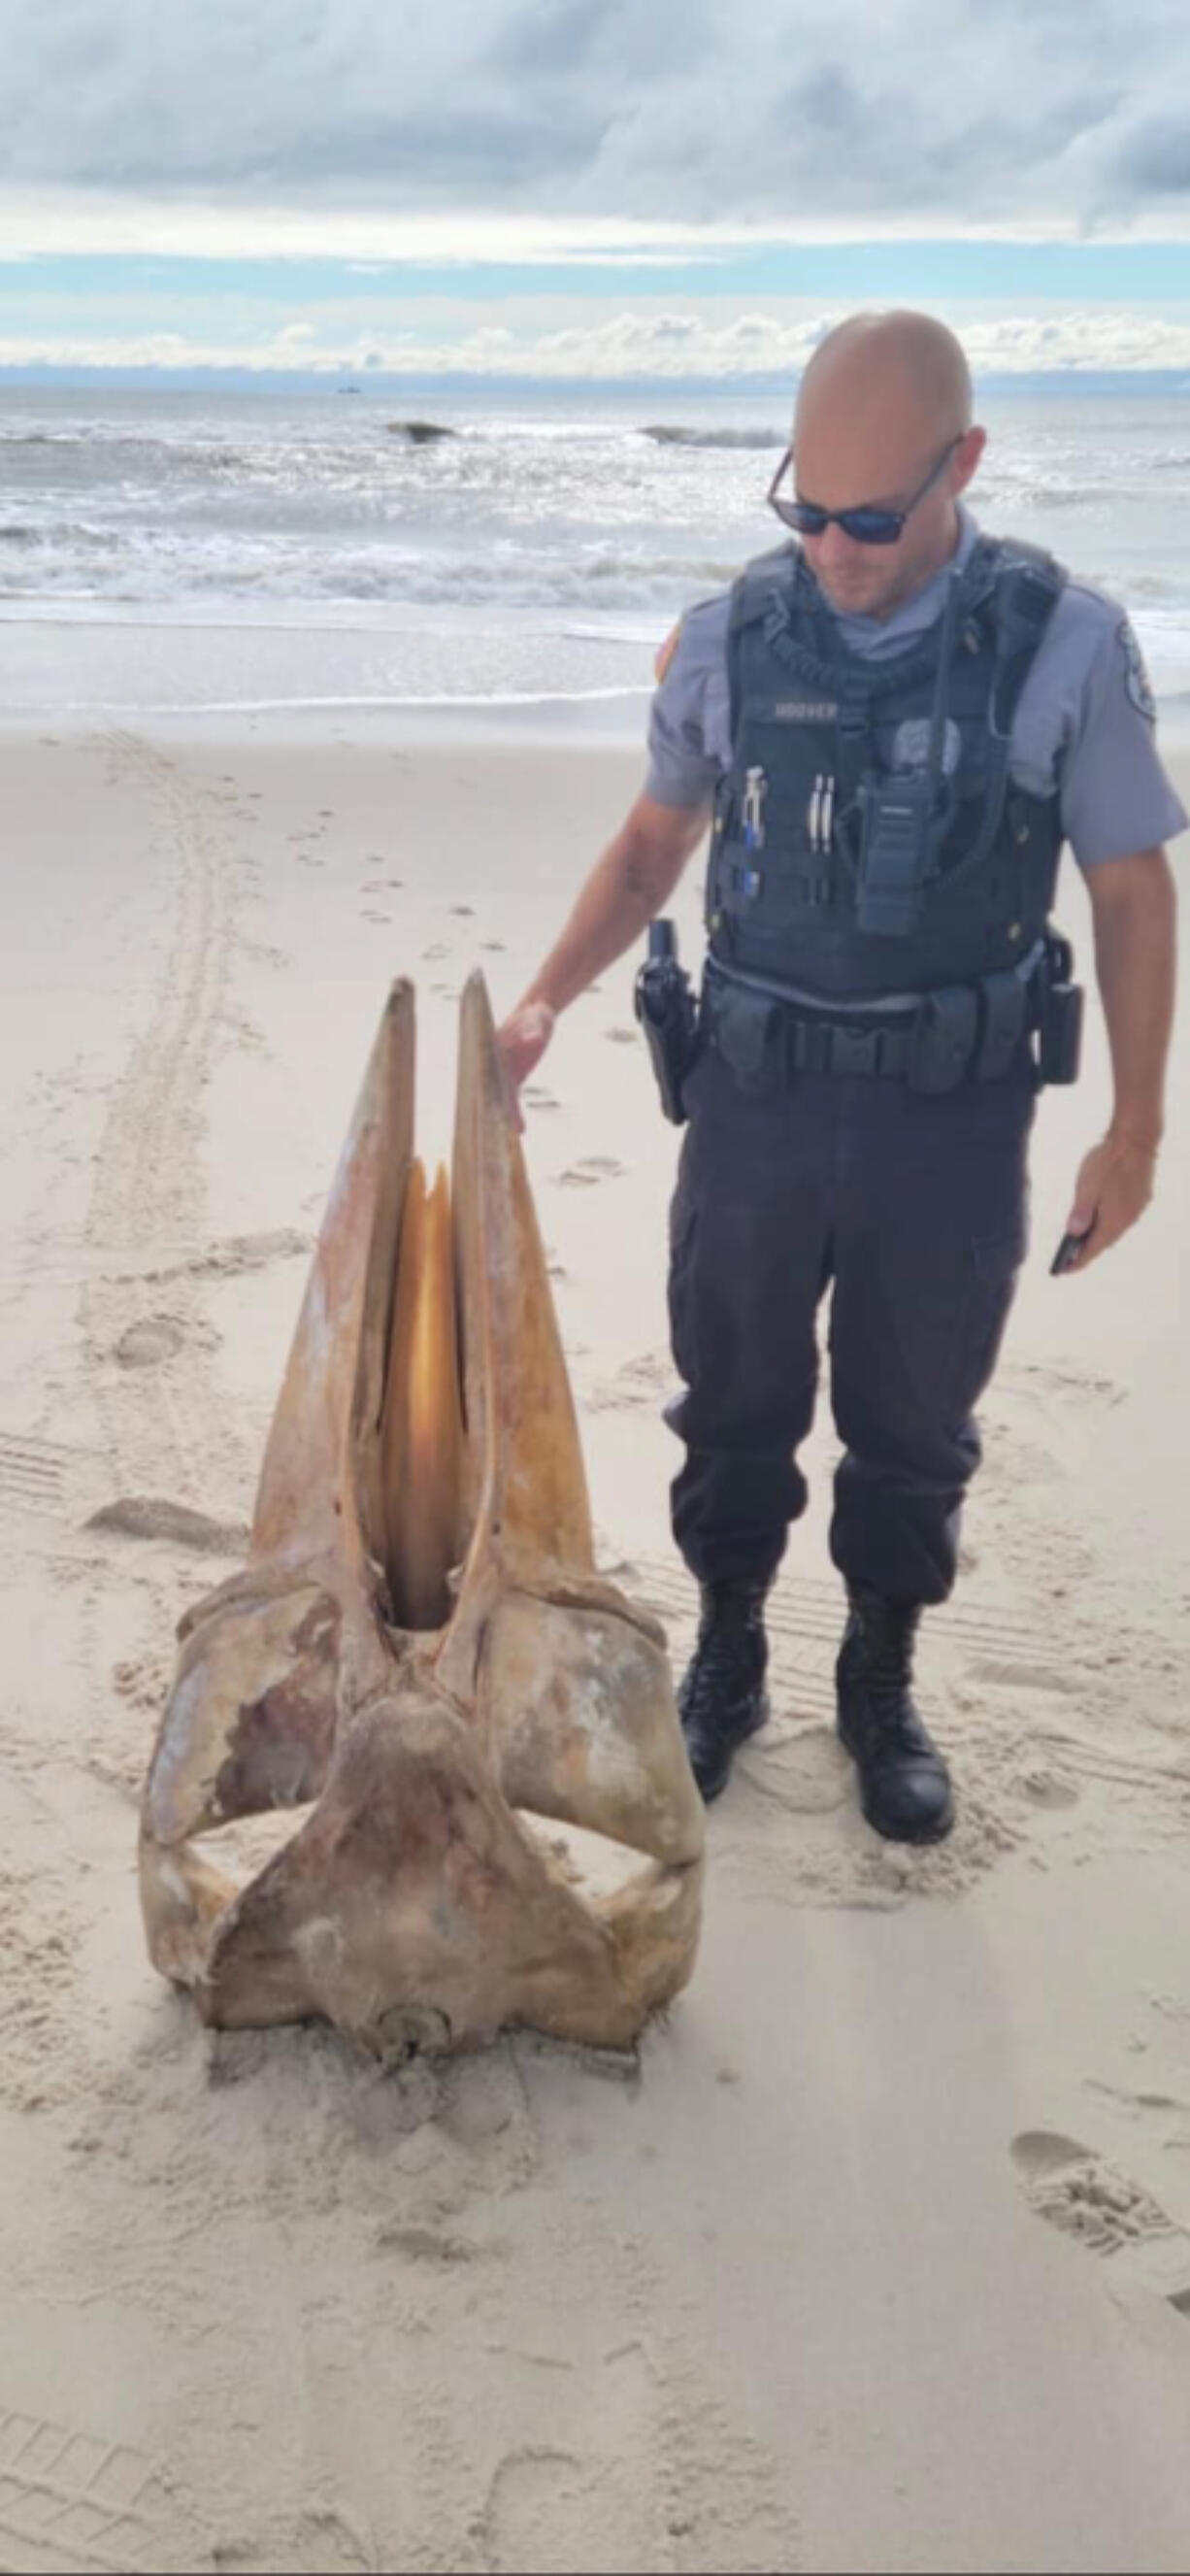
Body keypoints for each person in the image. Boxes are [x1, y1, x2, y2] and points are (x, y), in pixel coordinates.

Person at [496, 311, 1184, 1844]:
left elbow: (1131, 890)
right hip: (755, 1099)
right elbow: (648, 845)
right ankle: (731, 1649)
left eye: (871, 518)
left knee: (913, 1409)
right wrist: (546, 994)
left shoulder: (1060, 643)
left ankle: (879, 1675)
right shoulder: (733, 633)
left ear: (965, 466)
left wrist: (1134, 1126)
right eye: (804, 508)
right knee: (730, 1389)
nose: (835, 549)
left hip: (950, 1111)